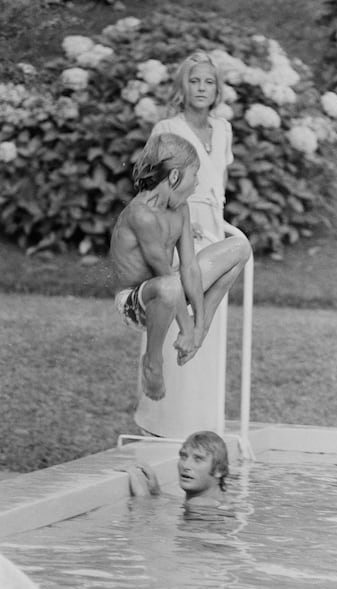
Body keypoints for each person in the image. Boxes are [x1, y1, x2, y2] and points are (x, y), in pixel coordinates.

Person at [110, 132, 251, 401]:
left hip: (167, 288)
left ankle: (202, 332)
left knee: (240, 247)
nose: (196, 184)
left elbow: (189, 268)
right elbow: (166, 277)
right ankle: (152, 361)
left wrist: (196, 326)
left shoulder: (180, 208)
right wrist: (183, 328)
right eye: (194, 176)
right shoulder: (142, 215)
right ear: (174, 177)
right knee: (169, 285)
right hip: (134, 303)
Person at [151, 49, 240, 246]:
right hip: (178, 225)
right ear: (183, 86)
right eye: (194, 81)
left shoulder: (223, 129)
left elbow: (220, 180)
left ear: (217, 89)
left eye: (209, 82)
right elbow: (152, 187)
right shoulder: (167, 129)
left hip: (213, 225)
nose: (201, 88)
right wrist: (180, 223)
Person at [127, 431, 229, 509]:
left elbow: (149, 532)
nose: (186, 465)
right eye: (184, 456)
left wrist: (142, 499)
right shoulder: (216, 501)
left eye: (198, 459)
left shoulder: (200, 504)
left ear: (218, 470)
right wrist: (157, 493)